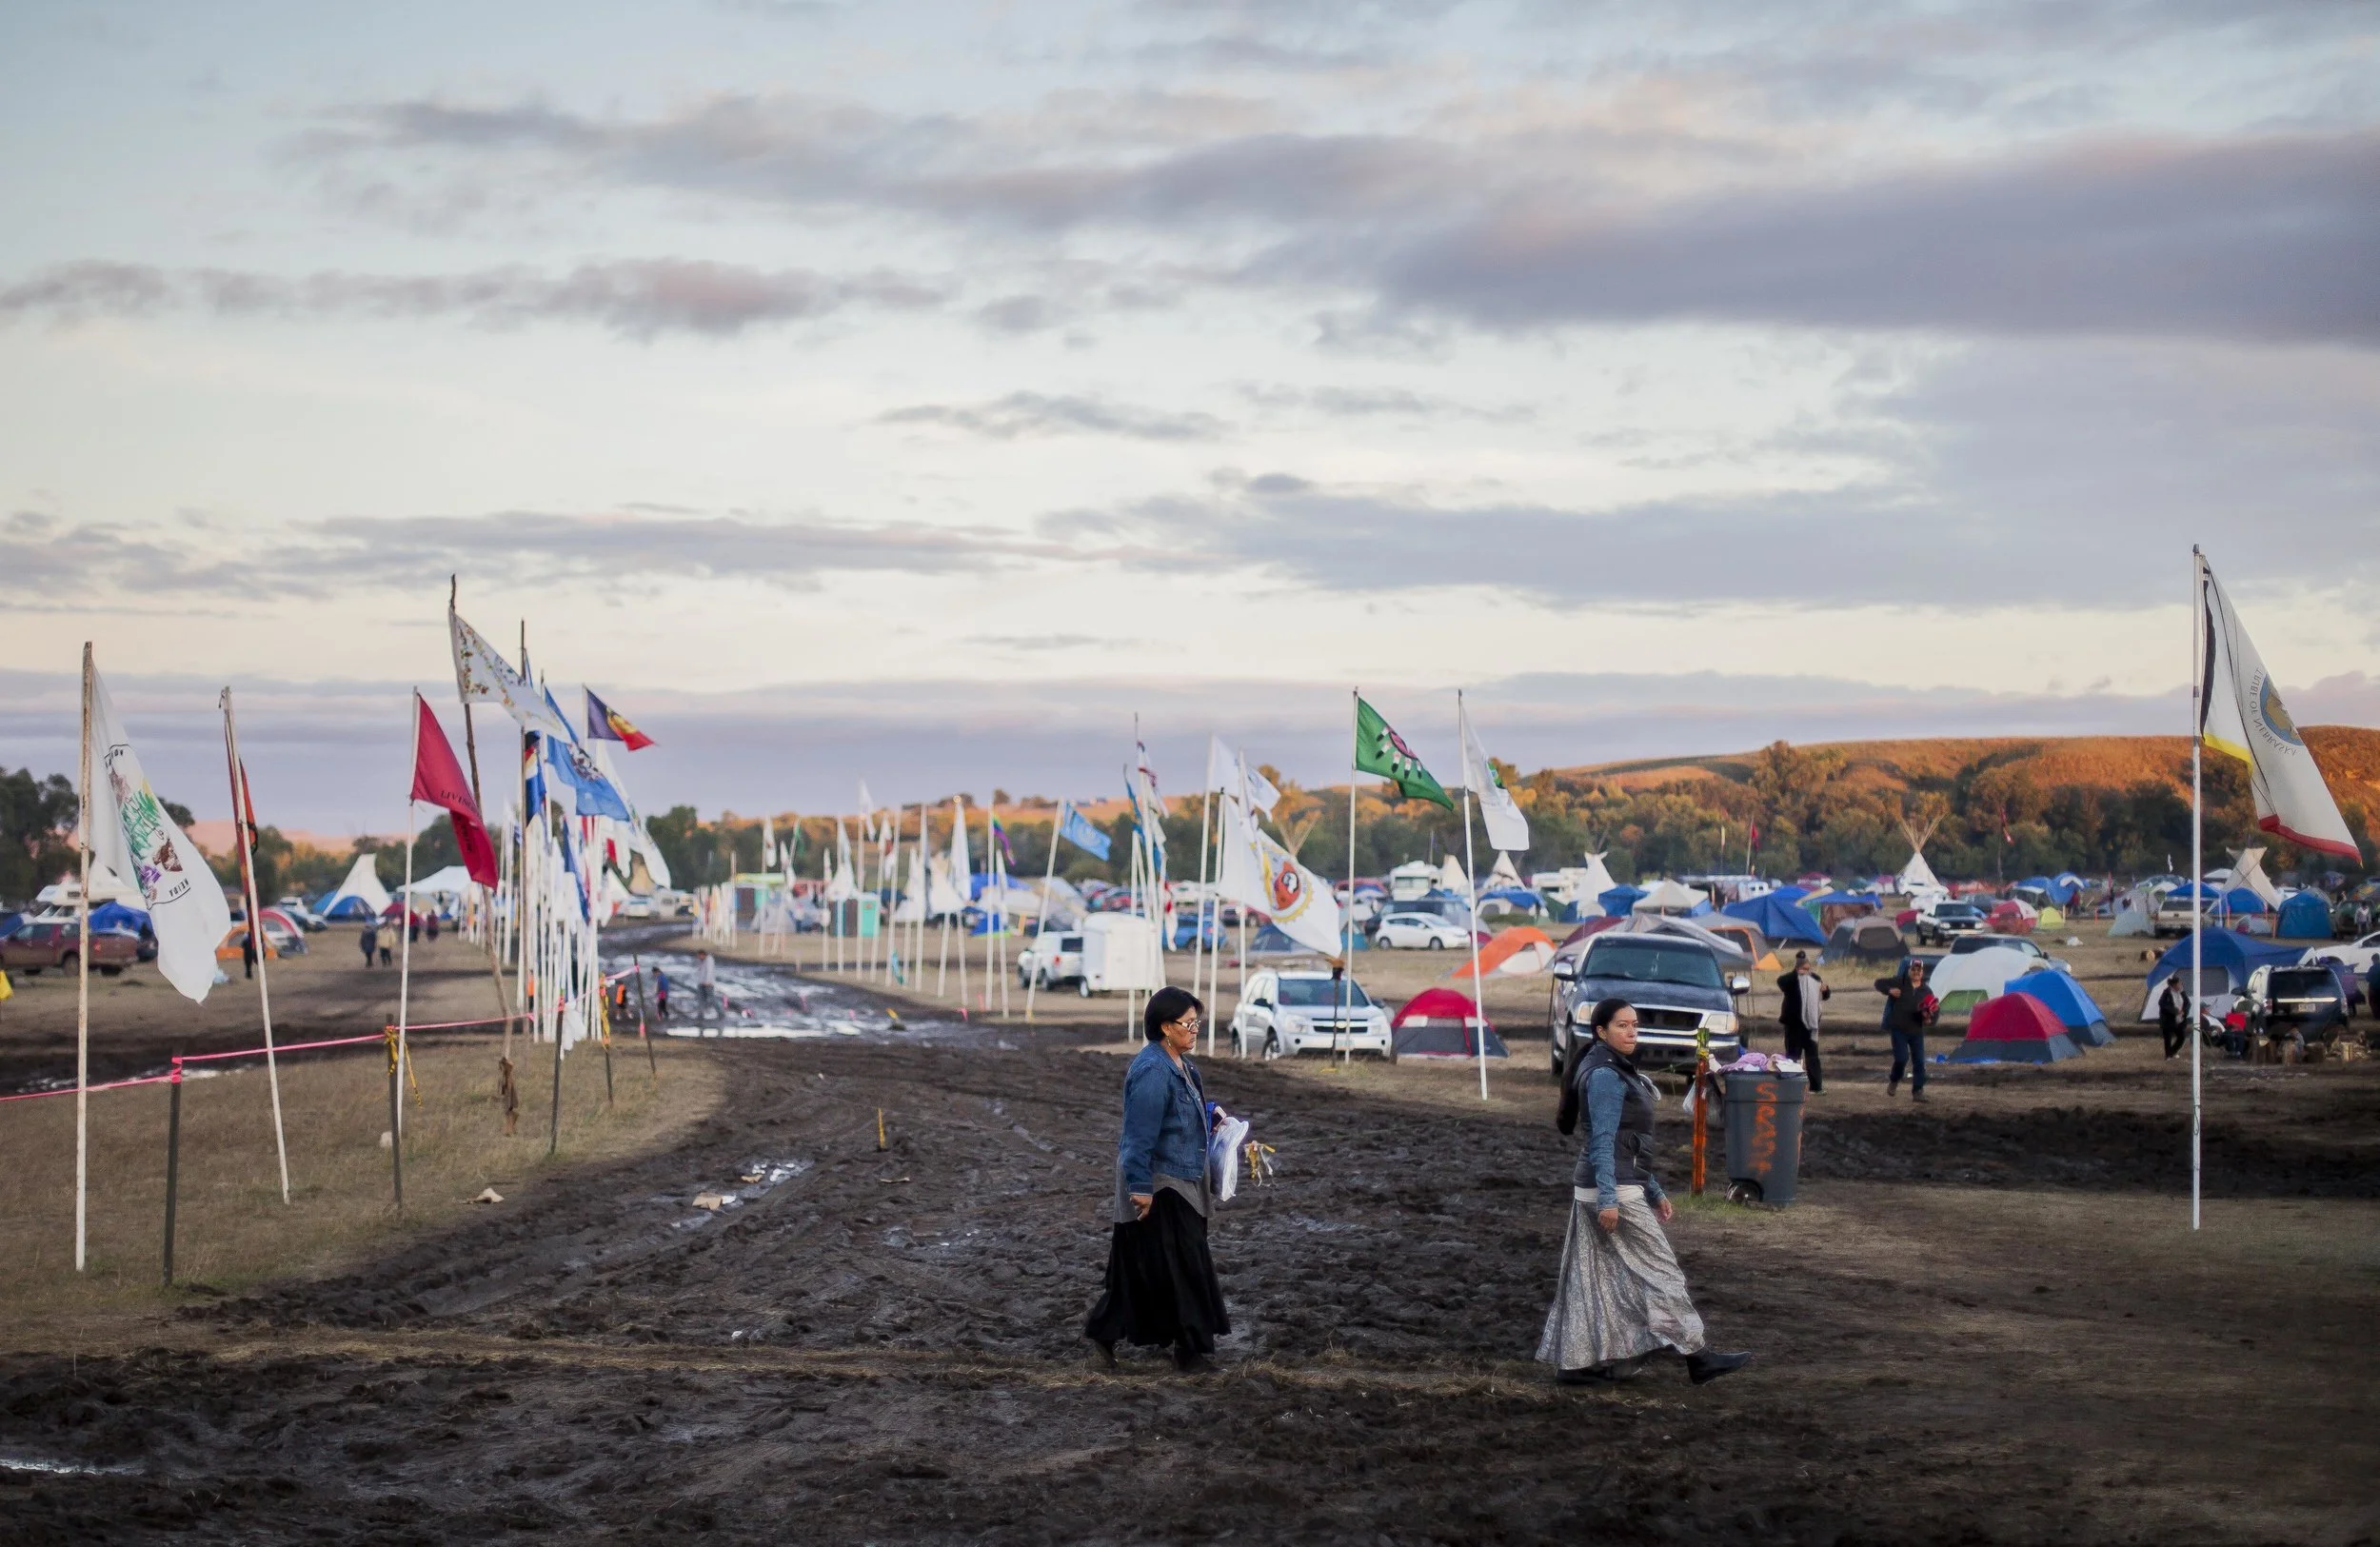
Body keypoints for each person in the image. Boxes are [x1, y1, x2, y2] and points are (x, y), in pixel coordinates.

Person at [1539, 997, 1751, 1386]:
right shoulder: (1605, 1075)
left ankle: (1577, 1366)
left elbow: (1627, 1143)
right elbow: (1602, 1140)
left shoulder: (1613, 1068)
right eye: (1622, 1025)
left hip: (1607, 1185)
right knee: (1662, 1272)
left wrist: (1653, 1190)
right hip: (1612, 1190)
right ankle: (1698, 1357)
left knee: (1595, 1279)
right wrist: (1609, 1199)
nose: (1632, 1031)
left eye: (1634, 1025)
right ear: (1601, 1031)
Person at [1086, 985, 1229, 1374]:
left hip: (1183, 1180)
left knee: (1144, 1267)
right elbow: (1138, 1136)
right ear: (1166, 1027)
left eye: (1197, 1022)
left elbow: (1181, 1113)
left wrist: (1213, 1116)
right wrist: (1140, 1188)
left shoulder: (1184, 1067)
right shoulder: (1152, 1070)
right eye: (1188, 1023)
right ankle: (1190, 1351)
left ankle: (1105, 1334)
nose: (1195, 1030)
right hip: (1161, 1184)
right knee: (1183, 1266)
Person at [1875, 959, 1939, 1100]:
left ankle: (1918, 1091)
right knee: (1901, 1059)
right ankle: (1894, 1079)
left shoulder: (1926, 991)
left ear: (1922, 972)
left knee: (1919, 1062)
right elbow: (1878, 983)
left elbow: (1934, 1010)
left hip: (1916, 1031)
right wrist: (1890, 990)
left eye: (1918, 970)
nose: (1916, 972)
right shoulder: (1900, 982)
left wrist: (1929, 1019)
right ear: (1909, 970)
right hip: (1899, 1029)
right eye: (1913, 969)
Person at [1775, 951, 1830, 1093]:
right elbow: (1781, 982)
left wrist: (1825, 990)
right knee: (1792, 1056)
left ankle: (1816, 1087)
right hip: (1793, 1025)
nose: (1806, 971)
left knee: (1813, 1057)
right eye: (1804, 968)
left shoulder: (1815, 978)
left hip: (1811, 1026)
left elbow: (1825, 995)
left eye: (1808, 968)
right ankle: (1791, 1086)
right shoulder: (1790, 980)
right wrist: (1796, 974)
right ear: (1797, 967)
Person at [2158, 975, 2189, 1059]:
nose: (2180, 985)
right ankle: (2168, 1055)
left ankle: (2172, 1051)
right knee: (2168, 1038)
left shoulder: (2182, 992)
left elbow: (2187, 1003)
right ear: (2174, 985)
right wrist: (2174, 1011)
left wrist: (2184, 1011)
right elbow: (2162, 1004)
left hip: (2180, 1019)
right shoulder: (2167, 993)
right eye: (2179, 984)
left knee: (2181, 1037)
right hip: (2168, 1020)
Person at [696, 949, 717, 1018]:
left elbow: (709, 971)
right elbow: (700, 971)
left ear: (702, 954)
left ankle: (721, 1013)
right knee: (701, 999)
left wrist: (707, 981)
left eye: (699, 956)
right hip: (701, 982)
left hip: (708, 984)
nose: (698, 957)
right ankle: (700, 1014)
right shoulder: (701, 961)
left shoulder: (709, 960)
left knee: (712, 999)